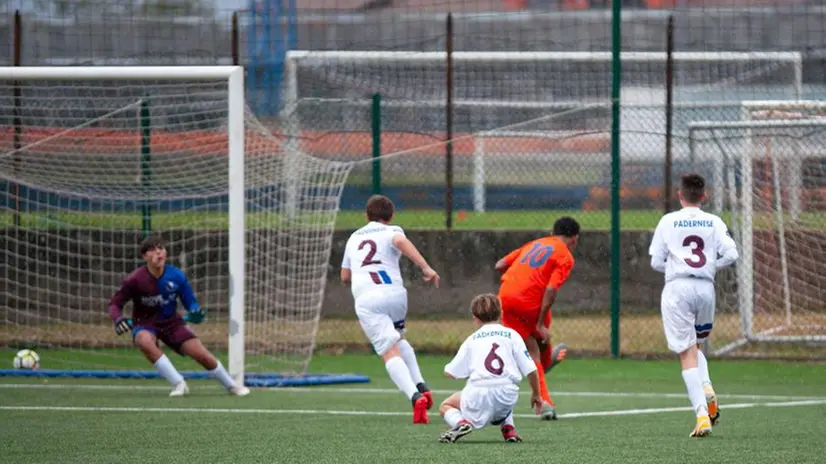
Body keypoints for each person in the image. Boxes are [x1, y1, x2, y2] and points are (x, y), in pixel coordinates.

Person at [649, 173, 738, 437]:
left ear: (679, 195)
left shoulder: (668, 220)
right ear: (704, 196)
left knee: (686, 352)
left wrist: (676, 267)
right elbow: (732, 254)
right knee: (696, 345)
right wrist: (710, 266)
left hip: (678, 288)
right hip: (705, 288)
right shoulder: (713, 221)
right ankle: (707, 385)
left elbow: (655, 262)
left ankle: (701, 415)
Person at [109, 234, 250, 397]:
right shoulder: (134, 279)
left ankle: (232, 385)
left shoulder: (176, 276)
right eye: (152, 250)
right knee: (143, 340)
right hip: (145, 324)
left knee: (201, 354)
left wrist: (195, 311)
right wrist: (118, 319)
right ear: (144, 256)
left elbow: (190, 302)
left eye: (161, 248)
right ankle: (178, 383)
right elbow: (114, 304)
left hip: (172, 323)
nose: (158, 253)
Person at [340, 195, 440, 424]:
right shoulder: (392, 230)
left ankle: (415, 397)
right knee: (399, 339)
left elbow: (344, 276)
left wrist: (358, 273)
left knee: (389, 352)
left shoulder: (353, 238)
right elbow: (400, 242)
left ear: (366, 216)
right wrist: (425, 267)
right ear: (391, 216)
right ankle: (421, 384)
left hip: (368, 298)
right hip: (395, 295)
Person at [494, 216, 579, 420]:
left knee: (537, 344)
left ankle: (543, 362)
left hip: (505, 298)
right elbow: (551, 289)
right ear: (575, 239)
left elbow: (499, 264)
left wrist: (519, 274)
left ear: (552, 233)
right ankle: (545, 401)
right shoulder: (565, 256)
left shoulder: (535, 243)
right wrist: (540, 323)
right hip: (529, 301)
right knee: (534, 348)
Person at [438, 293, 542, 444]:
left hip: (478, 396)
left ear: (475, 318)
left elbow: (450, 373)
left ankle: (461, 423)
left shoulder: (472, 340)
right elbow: (531, 370)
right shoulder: (513, 335)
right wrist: (536, 394)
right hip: (507, 397)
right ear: (501, 313)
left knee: (445, 405)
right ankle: (508, 429)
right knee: (506, 382)